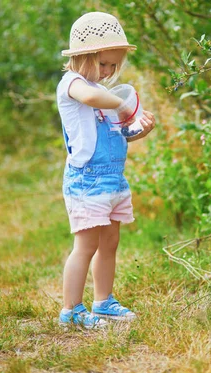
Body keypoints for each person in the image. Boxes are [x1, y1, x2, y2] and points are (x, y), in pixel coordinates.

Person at [56, 12, 156, 329]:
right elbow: (91, 96)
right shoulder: (73, 84)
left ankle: (104, 301)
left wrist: (141, 129)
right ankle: (70, 310)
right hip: (87, 181)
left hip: (113, 180)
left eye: (114, 66)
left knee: (109, 242)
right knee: (85, 246)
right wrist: (121, 102)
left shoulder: (106, 94)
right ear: (84, 57)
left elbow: (122, 134)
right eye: (104, 64)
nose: (109, 72)